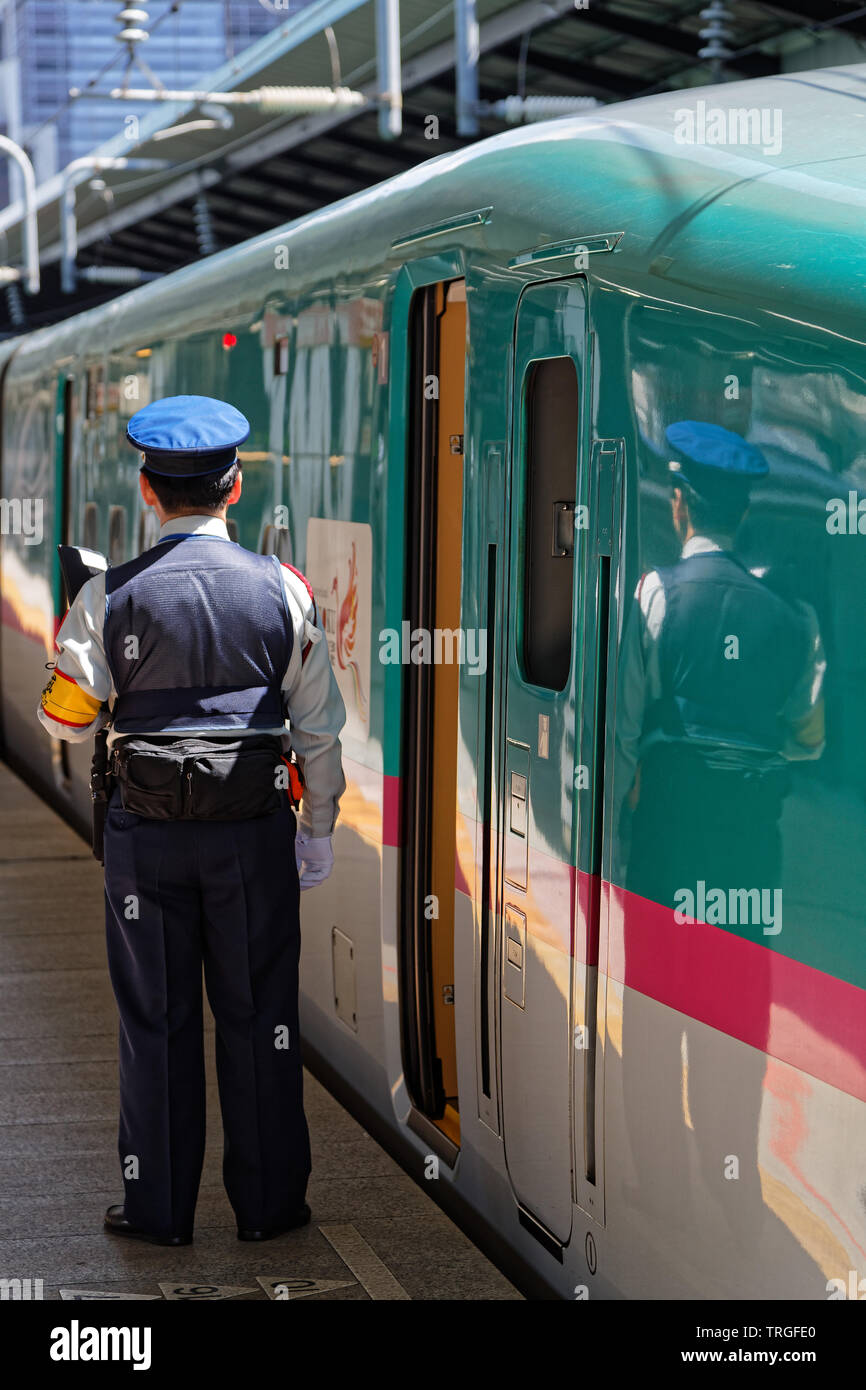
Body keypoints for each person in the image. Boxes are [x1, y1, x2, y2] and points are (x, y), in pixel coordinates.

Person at [38, 394, 346, 1246]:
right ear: (235, 487)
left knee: (156, 1024)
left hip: (146, 843)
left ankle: (159, 1210)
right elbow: (318, 727)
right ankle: (270, 1206)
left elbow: (64, 719)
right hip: (251, 836)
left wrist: (73, 640)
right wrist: (314, 831)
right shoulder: (282, 590)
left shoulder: (109, 596)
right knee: (262, 1019)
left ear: (147, 491)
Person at [617, 419, 825, 907]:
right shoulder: (798, 617)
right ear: (744, 512)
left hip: (668, 827)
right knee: (739, 973)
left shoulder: (655, 594)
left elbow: (624, 731)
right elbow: (810, 740)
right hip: (749, 838)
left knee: (656, 970)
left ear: (679, 503)